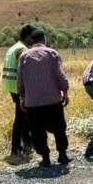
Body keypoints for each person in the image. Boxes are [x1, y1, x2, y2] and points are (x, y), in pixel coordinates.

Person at [17, 29, 71, 167]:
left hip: (33, 102)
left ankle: (45, 158)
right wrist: (65, 92)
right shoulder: (52, 53)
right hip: (53, 99)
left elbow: (20, 79)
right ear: (44, 39)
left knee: (37, 131)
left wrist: (23, 97)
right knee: (59, 128)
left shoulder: (24, 56)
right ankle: (62, 155)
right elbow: (60, 74)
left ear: (32, 40)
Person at [1, 24, 35, 163]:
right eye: (32, 37)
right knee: (20, 119)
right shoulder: (22, 50)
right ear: (27, 37)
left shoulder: (14, 47)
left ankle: (27, 142)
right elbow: (24, 71)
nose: (34, 40)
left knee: (25, 116)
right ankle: (15, 149)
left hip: (12, 86)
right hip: (19, 88)